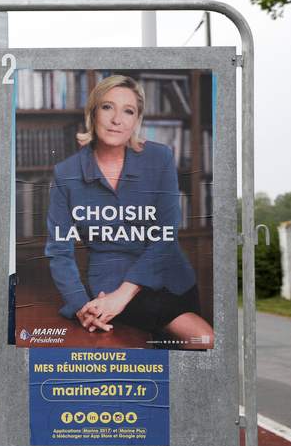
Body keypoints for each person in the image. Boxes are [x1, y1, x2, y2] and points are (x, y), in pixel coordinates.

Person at [45, 75, 214, 350]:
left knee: (197, 349)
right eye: (107, 107)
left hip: (170, 279)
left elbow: (165, 236)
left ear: (137, 121)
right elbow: (59, 250)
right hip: (110, 283)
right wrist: (81, 306)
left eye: (128, 111)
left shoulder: (160, 158)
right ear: (92, 113)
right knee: (199, 340)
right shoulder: (66, 173)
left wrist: (120, 298)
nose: (117, 119)